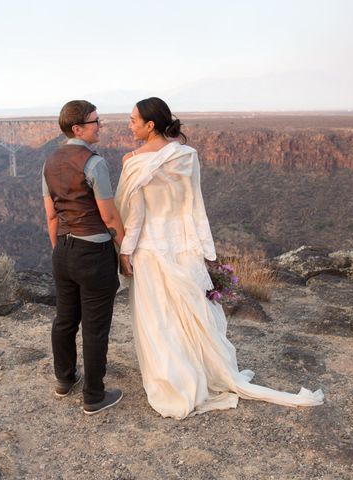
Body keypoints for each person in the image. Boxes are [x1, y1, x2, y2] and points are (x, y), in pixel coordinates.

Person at [115, 97, 324, 419]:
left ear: (149, 124)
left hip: (150, 247)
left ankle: (173, 379)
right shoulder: (187, 156)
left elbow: (136, 215)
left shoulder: (133, 161)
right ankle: (199, 370)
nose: (128, 126)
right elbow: (193, 208)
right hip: (182, 247)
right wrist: (205, 254)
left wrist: (125, 251)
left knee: (158, 318)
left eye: (132, 120)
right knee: (190, 313)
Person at [42, 100, 124, 415]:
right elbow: (110, 218)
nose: (100, 126)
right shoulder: (94, 163)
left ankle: (64, 380)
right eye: (95, 121)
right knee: (95, 326)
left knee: (65, 318)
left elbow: (51, 216)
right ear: (78, 128)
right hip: (94, 253)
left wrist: (59, 250)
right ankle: (94, 396)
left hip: (63, 250)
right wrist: (124, 253)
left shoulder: (48, 162)